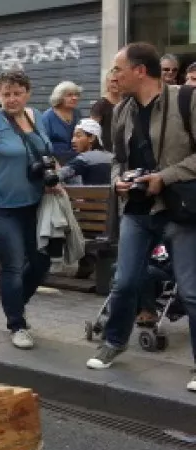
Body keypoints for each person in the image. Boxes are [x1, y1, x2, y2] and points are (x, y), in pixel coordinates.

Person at [86, 42, 196, 393]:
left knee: (191, 292)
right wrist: (119, 179)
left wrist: (165, 177)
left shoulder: (186, 100)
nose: (113, 76)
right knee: (125, 282)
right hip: (137, 209)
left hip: (179, 208)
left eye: (119, 69)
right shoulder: (121, 111)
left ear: (139, 71)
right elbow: (118, 158)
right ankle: (115, 342)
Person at [0, 69, 54, 350]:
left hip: (35, 203)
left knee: (41, 261)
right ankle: (16, 323)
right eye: (6, 94)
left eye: (17, 93)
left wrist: (54, 177)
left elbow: (46, 153)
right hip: (1, 206)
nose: (11, 99)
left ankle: (16, 302)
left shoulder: (36, 117)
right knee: (14, 266)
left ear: (27, 93)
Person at [39, 81, 83, 164]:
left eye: (76, 95)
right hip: (56, 164)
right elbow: (43, 146)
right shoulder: (48, 117)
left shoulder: (77, 113)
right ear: (59, 97)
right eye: (69, 95)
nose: (74, 98)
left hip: (77, 163)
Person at [58, 119, 113, 185]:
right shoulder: (112, 157)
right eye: (73, 136)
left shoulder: (84, 159)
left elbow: (59, 175)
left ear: (91, 138)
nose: (73, 140)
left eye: (78, 136)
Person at [90, 71, 122, 151]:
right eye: (113, 81)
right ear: (107, 83)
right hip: (106, 150)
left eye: (118, 81)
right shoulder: (100, 105)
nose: (116, 84)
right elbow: (92, 129)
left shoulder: (128, 103)